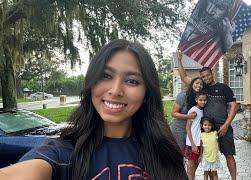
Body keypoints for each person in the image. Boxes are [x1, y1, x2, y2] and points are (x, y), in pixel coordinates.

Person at [0, 39, 188, 180]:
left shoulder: (164, 153)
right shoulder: (63, 152)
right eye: (105, 76)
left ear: (147, 92)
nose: (115, 91)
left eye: (132, 81)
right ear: (91, 83)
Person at [177, 49, 238, 180]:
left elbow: (234, 106)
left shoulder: (223, 87)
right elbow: (184, 77)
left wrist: (227, 125)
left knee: (229, 155)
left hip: (223, 128)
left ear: (212, 74)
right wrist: (179, 60)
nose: (205, 78)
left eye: (207, 75)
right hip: (206, 130)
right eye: (203, 77)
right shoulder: (201, 88)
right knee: (205, 157)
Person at [171, 77, 203, 151]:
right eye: (197, 83)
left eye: (201, 84)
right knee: (180, 151)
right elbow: (173, 113)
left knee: (190, 153)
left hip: (192, 129)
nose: (199, 85)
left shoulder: (199, 98)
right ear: (192, 84)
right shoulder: (183, 95)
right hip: (180, 128)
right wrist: (188, 116)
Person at [185, 91, 208, 180]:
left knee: (196, 164)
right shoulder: (193, 110)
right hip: (192, 143)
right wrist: (193, 144)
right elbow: (187, 128)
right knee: (190, 166)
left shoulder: (203, 111)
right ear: (196, 100)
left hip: (200, 142)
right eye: (200, 100)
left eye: (205, 100)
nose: (203, 102)